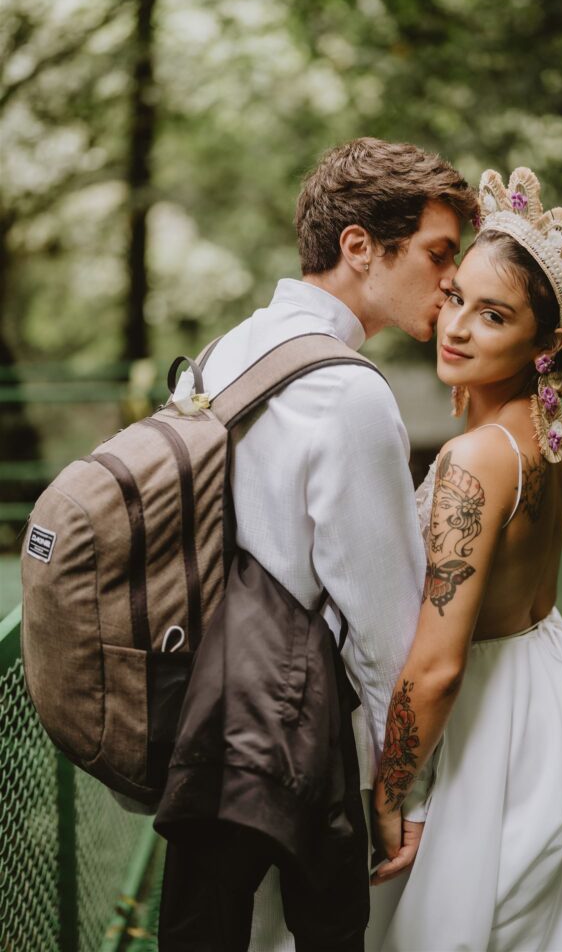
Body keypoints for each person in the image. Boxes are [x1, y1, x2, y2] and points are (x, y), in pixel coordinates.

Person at [157, 137, 479, 951]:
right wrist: (402, 788)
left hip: (208, 705)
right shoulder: (346, 392)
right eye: (439, 253)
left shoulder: (228, 351)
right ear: (360, 247)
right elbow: (381, 621)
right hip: (302, 733)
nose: (452, 280)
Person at [369, 168, 562, 951]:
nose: (456, 327)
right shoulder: (547, 434)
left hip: (490, 724)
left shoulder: (475, 458)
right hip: (554, 691)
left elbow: (439, 665)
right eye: (455, 299)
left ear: (545, 342)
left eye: (492, 315)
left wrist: (390, 788)